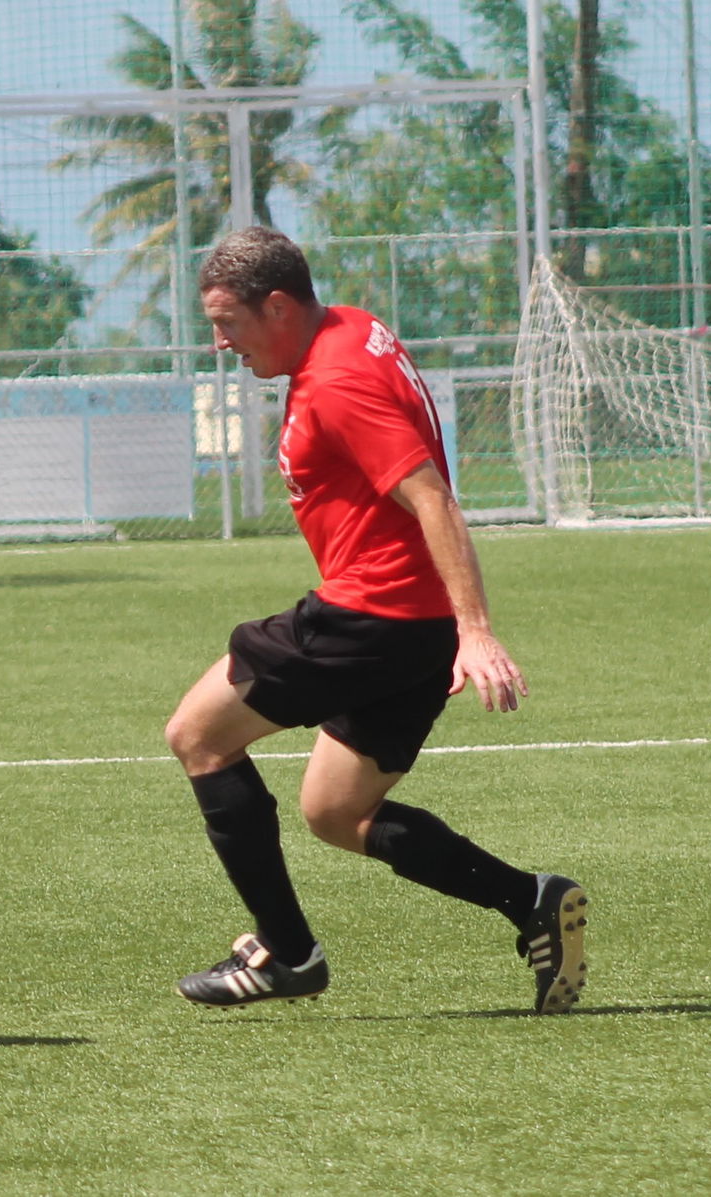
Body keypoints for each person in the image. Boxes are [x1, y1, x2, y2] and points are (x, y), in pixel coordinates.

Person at [166, 227, 587, 1015]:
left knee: (198, 735)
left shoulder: (338, 380)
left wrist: (477, 629)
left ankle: (287, 954)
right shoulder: (352, 326)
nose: (220, 342)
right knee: (336, 811)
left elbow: (432, 497)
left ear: (278, 306)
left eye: (228, 322)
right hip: (413, 627)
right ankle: (529, 898)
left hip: (373, 615)